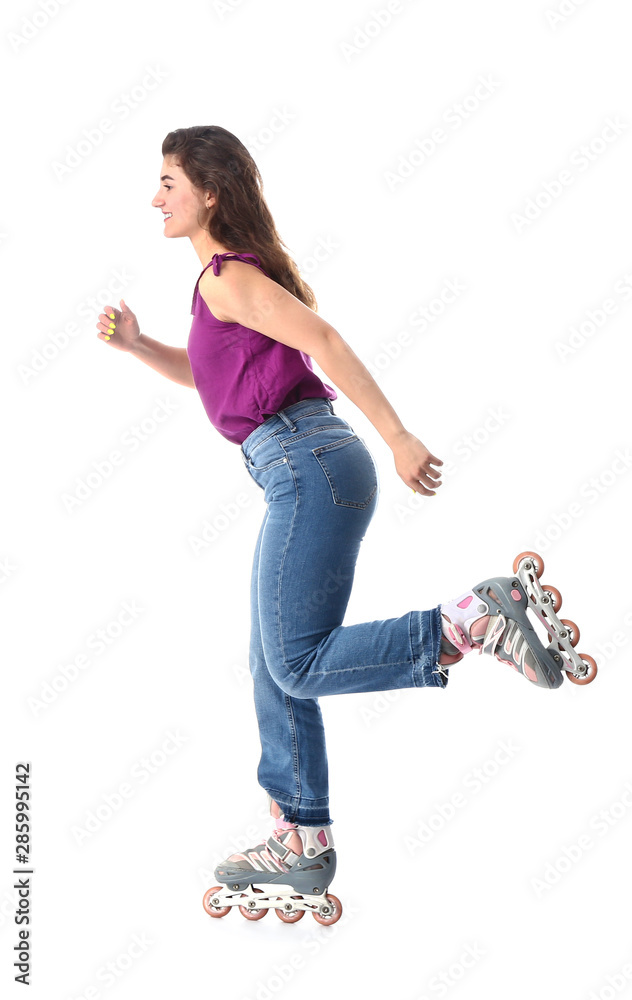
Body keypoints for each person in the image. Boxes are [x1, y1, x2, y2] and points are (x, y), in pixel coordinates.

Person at [96, 126, 594, 923]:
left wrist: (398, 435)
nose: (155, 197)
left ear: (209, 192)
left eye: (167, 182)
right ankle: (299, 835)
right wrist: (136, 345)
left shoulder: (228, 277)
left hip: (308, 463)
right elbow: (209, 377)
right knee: (272, 659)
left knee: (293, 660)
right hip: (297, 466)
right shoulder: (213, 290)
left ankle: (469, 622)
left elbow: (323, 340)